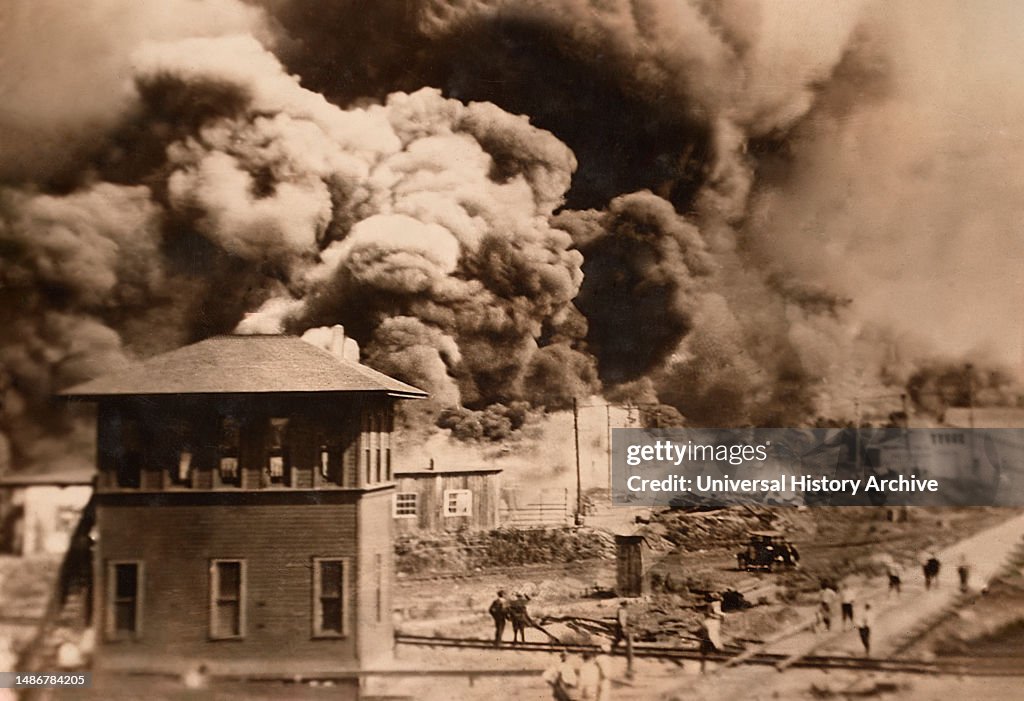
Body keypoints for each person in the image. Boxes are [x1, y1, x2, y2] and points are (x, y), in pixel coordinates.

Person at [698, 608, 722, 674]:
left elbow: (700, 631)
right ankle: (716, 668)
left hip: (706, 640)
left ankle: (702, 670)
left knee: (703, 655)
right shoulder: (716, 622)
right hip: (712, 640)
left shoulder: (705, 622)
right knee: (717, 653)